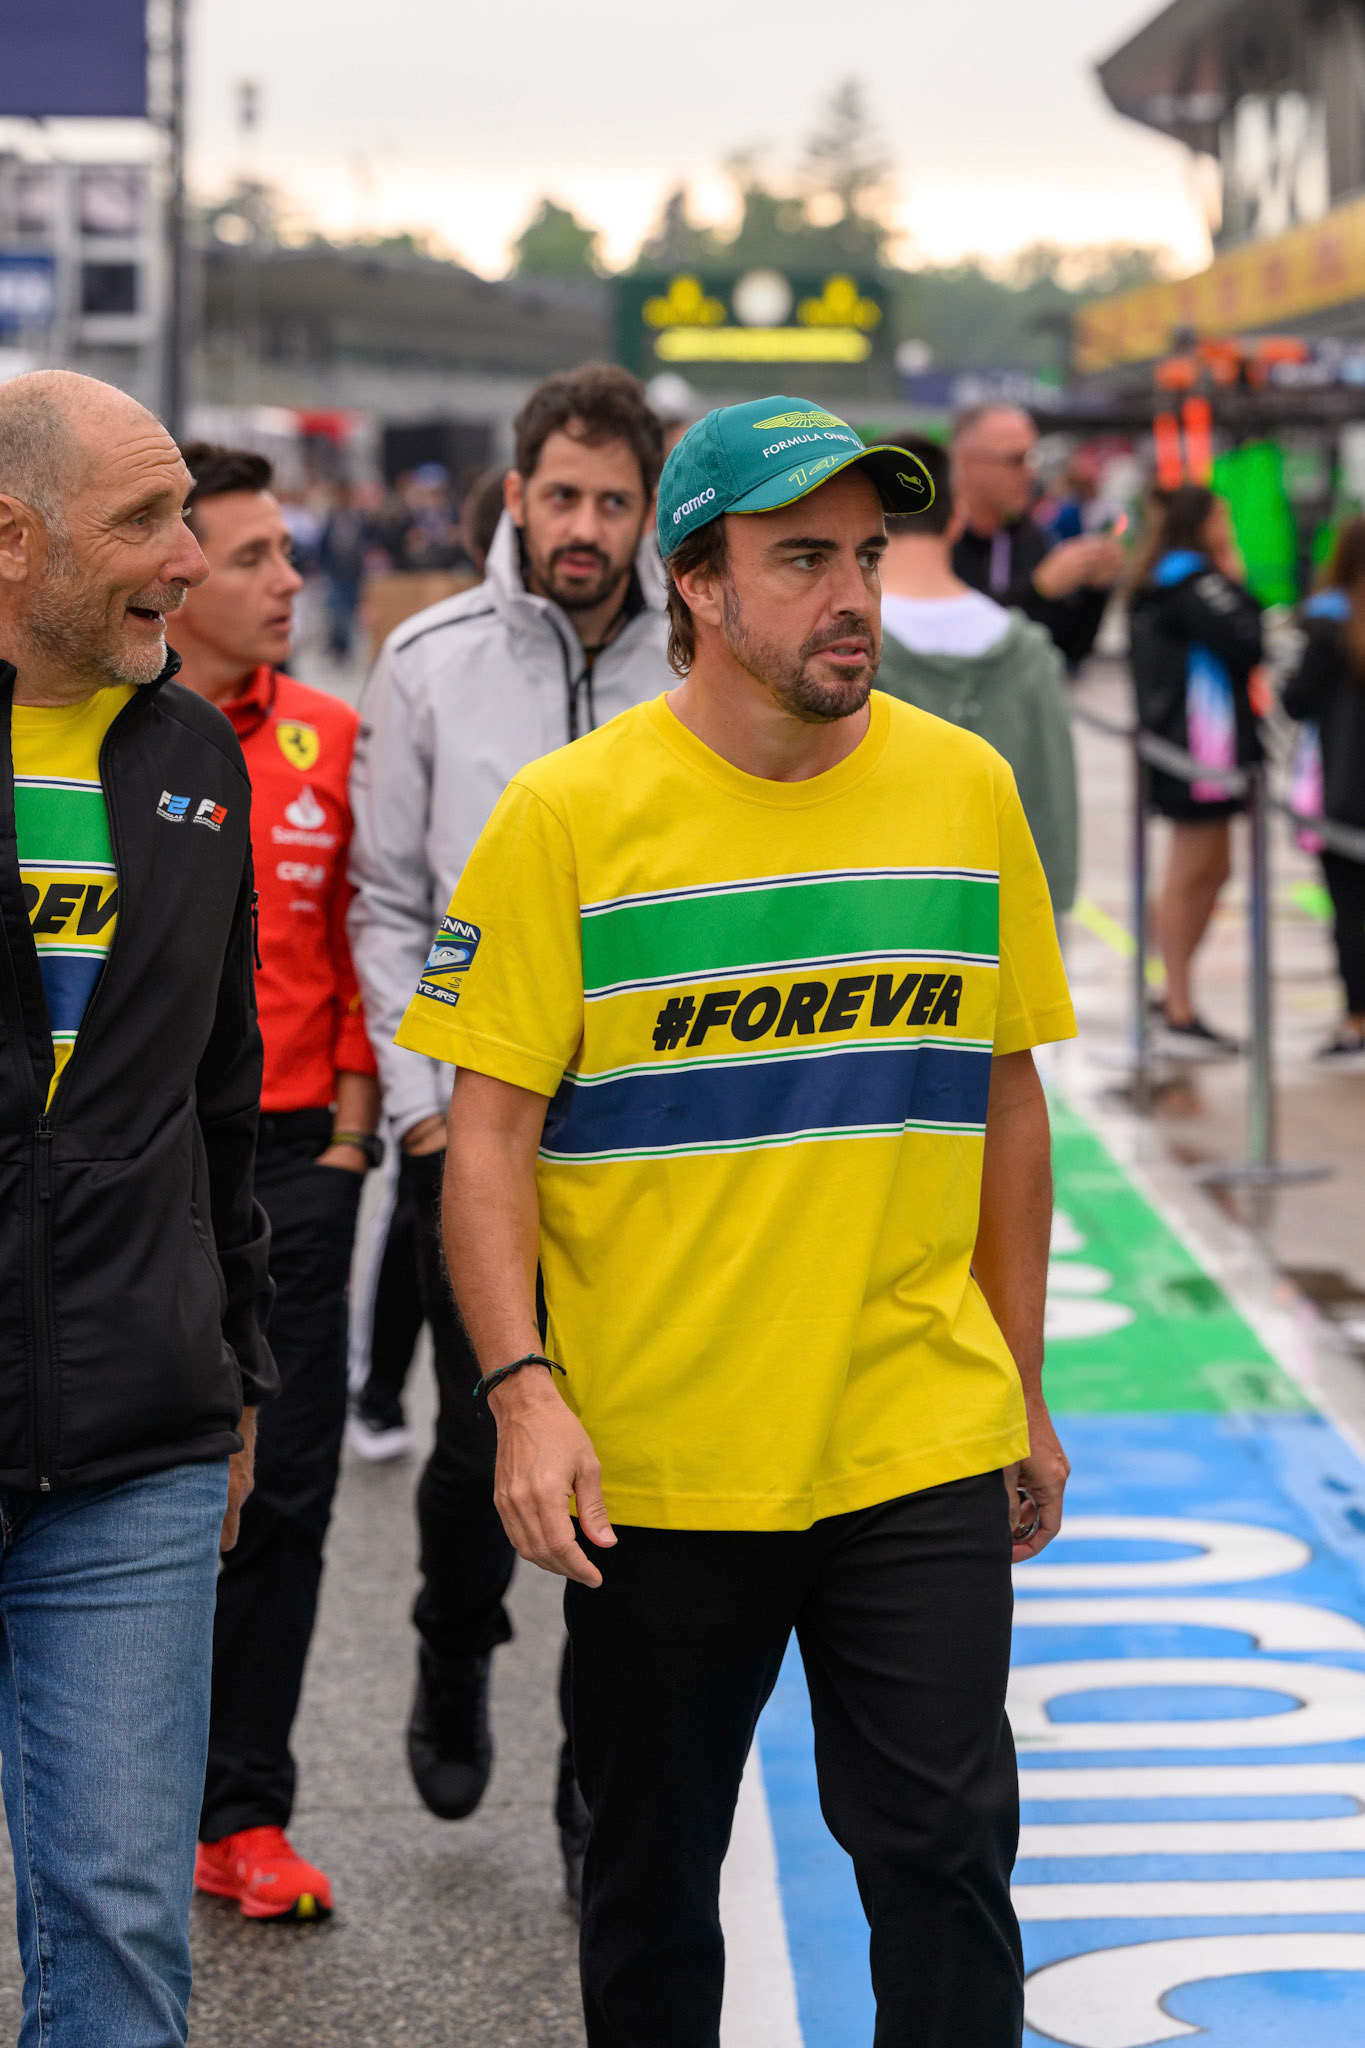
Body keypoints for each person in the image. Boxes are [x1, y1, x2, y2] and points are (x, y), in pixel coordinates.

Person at [397, 394, 1075, 2045]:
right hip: (661, 1459)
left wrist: (1021, 1380)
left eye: (867, 555)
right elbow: (488, 1137)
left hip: (912, 1432)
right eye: (801, 560)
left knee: (946, 1862)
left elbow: (1008, 1101)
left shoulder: (965, 788)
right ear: (695, 583)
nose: (853, 595)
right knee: (648, 1888)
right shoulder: (566, 816)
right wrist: (522, 1390)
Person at [347, 361, 671, 1900]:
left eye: (615, 501)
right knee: (482, 1434)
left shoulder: (696, 653)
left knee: (642, 1457)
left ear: (650, 511)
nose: (585, 527)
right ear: (518, 494)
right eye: (562, 497)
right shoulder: (428, 660)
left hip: (648, 1141)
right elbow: (388, 903)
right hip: (471, 1127)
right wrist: (423, 1114)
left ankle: (592, 1765)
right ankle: (452, 1642)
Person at [0, 370, 274, 2044]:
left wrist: (235, 1372)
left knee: (116, 1915)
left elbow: (220, 1098)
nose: (190, 556)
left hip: (139, 1438)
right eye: (147, 520)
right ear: (11, 541)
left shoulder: (192, 753)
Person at [168, 442, 381, 1919]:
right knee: (126, 1495)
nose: (288, 582)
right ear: (176, 575)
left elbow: (372, 941)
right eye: (252, 558)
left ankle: (243, 1810)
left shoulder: (329, 736)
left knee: (286, 1492)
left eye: (288, 552)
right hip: (134, 1169)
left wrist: (354, 1136)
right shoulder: (100, 736)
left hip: (300, 1161)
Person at [876, 433, 1077, 915]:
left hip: (881, 932)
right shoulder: (1030, 653)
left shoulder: (843, 653)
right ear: (957, 517)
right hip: (1002, 926)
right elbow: (1053, 818)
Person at [1129, 484, 1263, 1057]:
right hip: (1198, 749)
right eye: (1223, 517)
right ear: (1203, 524)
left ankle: (1174, 997)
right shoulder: (1189, 581)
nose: (1228, 527)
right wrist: (1233, 574)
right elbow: (1249, 639)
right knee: (1190, 873)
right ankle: (1178, 1008)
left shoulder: (1166, 578)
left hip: (1197, 746)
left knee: (1215, 869)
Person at [951, 403, 1122, 668]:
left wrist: (1095, 589)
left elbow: (1069, 649)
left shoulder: (1027, 536)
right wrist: (1037, 589)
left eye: (1033, 459)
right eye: (1015, 460)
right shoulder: (931, 538)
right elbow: (947, 633)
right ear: (968, 462)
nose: (1031, 473)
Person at [1282, 519, 1365, 1062]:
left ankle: (1357, 1020)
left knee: (1351, 914)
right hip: (1346, 788)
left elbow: (1295, 700)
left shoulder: (1325, 623)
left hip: (1343, 791)